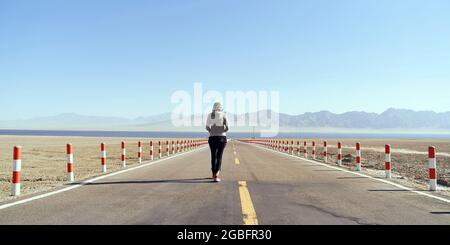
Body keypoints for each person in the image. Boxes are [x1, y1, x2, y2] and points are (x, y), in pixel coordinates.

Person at [206, 102, 229, 182]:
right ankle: (216, 175)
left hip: (212, 138)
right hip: (222, 138)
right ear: (221, 107)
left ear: (213, 107)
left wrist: (212, 132)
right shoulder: (224, 114)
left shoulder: (210, 115)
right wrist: (222, 131)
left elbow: (207, 127)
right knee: (219, 156)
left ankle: (213, 174)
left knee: (213, 156)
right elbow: (227, 128)